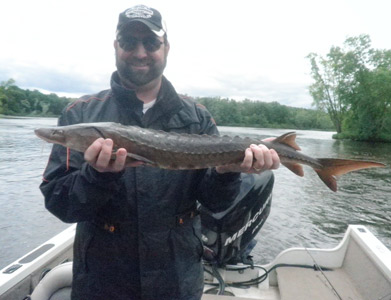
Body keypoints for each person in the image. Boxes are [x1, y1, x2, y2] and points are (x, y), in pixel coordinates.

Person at [39, 5, 280, 300]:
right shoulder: (80, 115)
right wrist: (97, 175)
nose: (140, 52)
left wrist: (227, 171)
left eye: (151, 43)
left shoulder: (196, 117)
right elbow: (61, 205)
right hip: (103, 281)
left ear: (166, 48)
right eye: (129, 42)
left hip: (176, 278)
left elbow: (215, 203)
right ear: (116, 46)